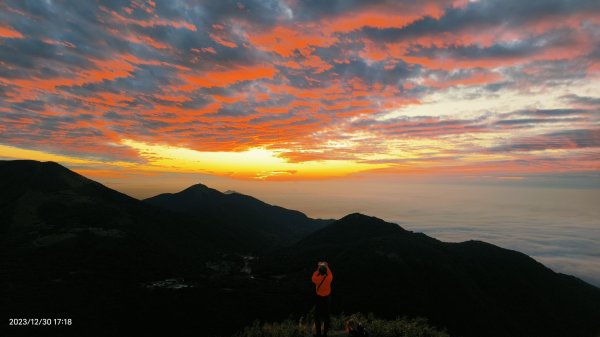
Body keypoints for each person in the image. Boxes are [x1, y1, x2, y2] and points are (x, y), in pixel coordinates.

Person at [311, 261, 333, 337]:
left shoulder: (316, 279)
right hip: (327, 298)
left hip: (319, 298)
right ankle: (325, 334)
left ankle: (318, 333)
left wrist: (318, 267)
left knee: (317, 316)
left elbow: (313, 276)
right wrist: (326, 265)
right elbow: (329, 272)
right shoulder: (329, 278)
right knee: (326, 316)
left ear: (319, 272)